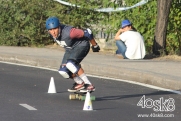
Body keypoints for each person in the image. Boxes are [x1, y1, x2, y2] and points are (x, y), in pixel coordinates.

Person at [45, 16, 100, 92]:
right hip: (70, 50)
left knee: (71, 64)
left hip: (82, 45)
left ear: (59, 27)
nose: (53, 32)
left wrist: (95, 45)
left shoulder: (70, 32)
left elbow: (88, 32)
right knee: (63, 71)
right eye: (50, 30)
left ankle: (89, 85)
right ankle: (80, 83)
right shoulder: (52, 34)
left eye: (55, 29)